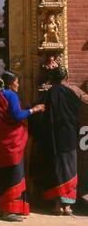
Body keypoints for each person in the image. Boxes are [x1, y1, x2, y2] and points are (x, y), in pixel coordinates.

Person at [0, 71, 45, 222]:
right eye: (16, 81)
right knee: (14, 176)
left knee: (2, 176)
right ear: (10, 83)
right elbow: (16, 115)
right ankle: (9, 211)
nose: (18, 84)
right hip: (12, 145)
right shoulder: (11, 96)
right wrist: (33, 110)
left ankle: (2, 209)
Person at [36, 66, 83, 215]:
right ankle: (67, 206)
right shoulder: (72, 91)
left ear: (53, 78)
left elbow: (40, 114)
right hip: (68, 136)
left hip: (52, 137)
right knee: (69, 168)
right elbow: (81, 107)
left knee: (55, 168)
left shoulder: (47, 94)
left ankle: (57, 205)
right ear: (66, 77)